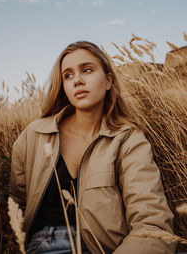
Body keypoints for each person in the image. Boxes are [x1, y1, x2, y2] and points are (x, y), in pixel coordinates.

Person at [9, 41, 176, 254]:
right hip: (47, 246)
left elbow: (152, 223)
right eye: (67, 75)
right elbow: (16, 209)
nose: (77, 80)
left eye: (87, 70)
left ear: (108, 80)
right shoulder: (34, 135)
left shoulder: (128, 139)